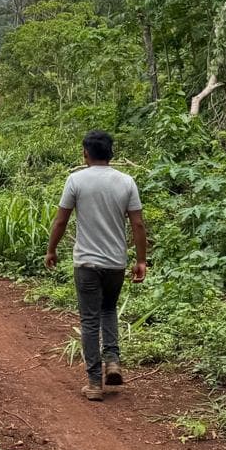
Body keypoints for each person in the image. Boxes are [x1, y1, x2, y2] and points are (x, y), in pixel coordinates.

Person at [44, 129, 148, 402]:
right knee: (109, 309)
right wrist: (140, 260)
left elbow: (61, 220)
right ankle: (112, 360)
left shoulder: (76, 180)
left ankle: (93, 383)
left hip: (87, 263)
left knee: (89, 320)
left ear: (85, 153)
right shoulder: (126, 181)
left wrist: (51, 250)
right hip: (115, 262)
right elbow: (137, 223)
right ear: (111, 153)